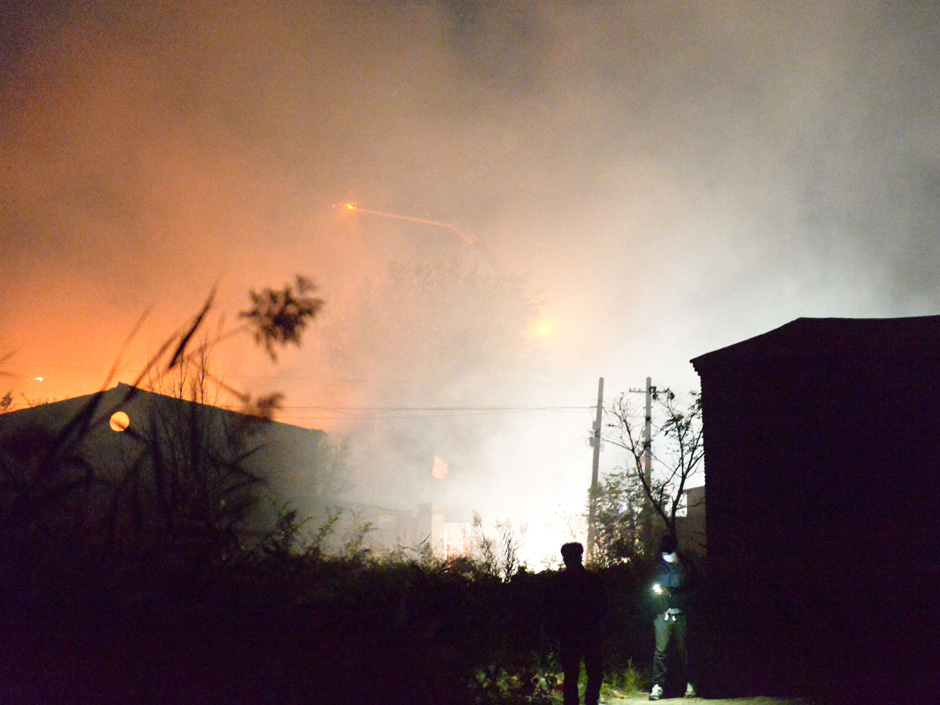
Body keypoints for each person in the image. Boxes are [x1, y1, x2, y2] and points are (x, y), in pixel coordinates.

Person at [548, 542, 608, 705]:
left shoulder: (559, 581)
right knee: (593, 671)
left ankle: (574, 702)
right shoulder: (592, 579)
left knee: (571, 673)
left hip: (570, 633)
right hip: (589, 632)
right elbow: (603, 606)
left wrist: (555, 630)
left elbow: (552, 609)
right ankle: (590, 701)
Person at [649, 533, 696, 700]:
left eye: (668, 552)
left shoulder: (685, 567)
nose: (666, 556)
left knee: (684, 650)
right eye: (664, 553)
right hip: (662, 613)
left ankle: (690, 684)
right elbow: (651, 588)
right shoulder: (659, 567)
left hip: (680, 613)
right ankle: (657, 685)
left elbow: (692, 589)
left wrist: (674, 593)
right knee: (660, 651)